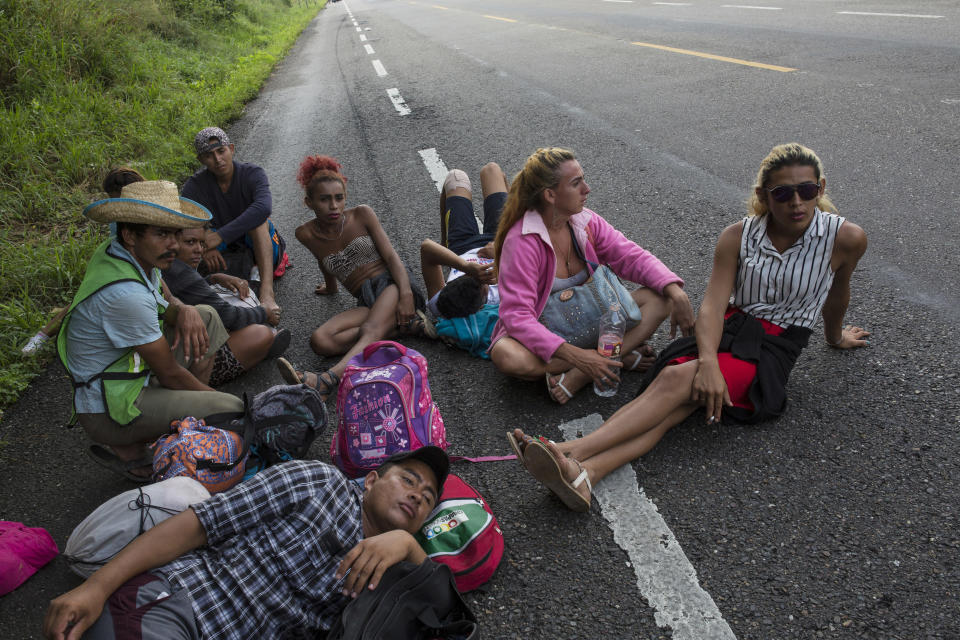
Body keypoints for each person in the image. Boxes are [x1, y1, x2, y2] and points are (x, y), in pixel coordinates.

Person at [509, 143, 870, 511]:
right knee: (672, 410)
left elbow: (838, 293)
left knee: (674, 381)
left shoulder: (845, 238)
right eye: (783, 193)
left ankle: (568, 452)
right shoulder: (738, 236)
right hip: (725, 332)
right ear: (764, 195)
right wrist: (709, 362)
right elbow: (713, 306)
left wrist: (835, 337)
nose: (796, 202)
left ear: (820, 189)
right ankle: (587, 476)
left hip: (773, 348)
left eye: (807, 190)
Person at [42, 447, 449, 640]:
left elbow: (444, 617)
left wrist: (407, 547)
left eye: (427, 497)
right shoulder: (319, 482)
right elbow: (199, 524)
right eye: (408, 480)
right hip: (186, 604)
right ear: (372, 480)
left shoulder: (398, 567)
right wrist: (96, 587)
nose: (417, 495)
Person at [58, 180, 244, 482]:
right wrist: (224, 407)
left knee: (204, 316)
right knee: (232, 408)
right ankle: (136, 440)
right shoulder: (125, 294)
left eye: (174, 233)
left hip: (129, 375)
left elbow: (163, 308)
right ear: (130, 234)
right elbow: (169, 372)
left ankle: (179, 430)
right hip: (110, 405)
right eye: (161, 234)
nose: (173, 244)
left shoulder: (128, 256)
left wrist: (183, 309)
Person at [489, 147, 695, 404]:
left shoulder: (585, 222)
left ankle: (583, 374)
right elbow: (516, 316)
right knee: (506, 356)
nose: (587, 189)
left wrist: (677, 292)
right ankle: (612, 358)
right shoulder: (522, 241)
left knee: (662, 298)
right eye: (576, 184)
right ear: (550, 195)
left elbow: (630, 255)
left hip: (587, 320)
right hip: (548, 336)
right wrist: (578, 357)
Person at [276, 155, 430, 399]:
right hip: (367, 299)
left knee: (369, 328)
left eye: (339, 198)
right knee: (320, 341)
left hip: (392, 283)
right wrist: (330, 286)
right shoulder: (305, 234)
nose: (334, 206)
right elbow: (323, 259)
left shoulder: (361, 214)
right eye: (324, 199)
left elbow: (391, 257)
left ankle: (328, 379)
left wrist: (406, 294)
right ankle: (403, 326)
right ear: (309, 202)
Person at [181, 126, 284, 319]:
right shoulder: (194, 186)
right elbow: (185, 222)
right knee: (187, 242)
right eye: (209, 155)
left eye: (221, 151)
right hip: (221, 249)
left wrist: (218, 237)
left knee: (259, 222)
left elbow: (263, 208)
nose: (218, 159)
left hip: (257, 242)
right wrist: (206, 244)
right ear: (201, 160)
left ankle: (267, 293)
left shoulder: (252, 173)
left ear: (232, 149)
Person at [163, 225, 292, 366]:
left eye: (201, 243)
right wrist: (265, 312)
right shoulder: (179, 272)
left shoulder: (172, 266)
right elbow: (231, 316)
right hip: (181, 358)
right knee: (261, 334)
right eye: (190, 242)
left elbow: (191, 291)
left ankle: (262, 343)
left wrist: (214, 278)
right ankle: (265, 343)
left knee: (225, 303)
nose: (199, 249)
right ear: (172, 242)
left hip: (177, 341)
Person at [420, 164, 504, 319]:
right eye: (480, 282)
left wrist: (465, 266)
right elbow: (536, 258)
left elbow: (426, 248)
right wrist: (501, 252)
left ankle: (446, 244)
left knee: (455, 177)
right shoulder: (500, 298)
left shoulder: (440, 304)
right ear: (482, 304)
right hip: (500, 243)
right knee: (492, 171)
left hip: (461, 248)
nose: (477, 276)